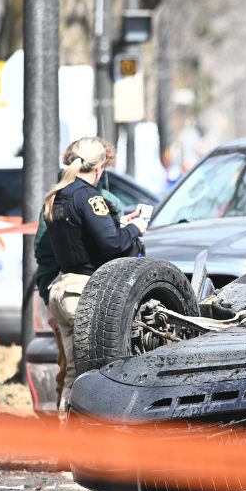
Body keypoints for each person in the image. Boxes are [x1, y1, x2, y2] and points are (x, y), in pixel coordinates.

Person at [45, 137, 147, 418]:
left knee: (72, 375)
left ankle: (67, 447)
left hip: (62, 289)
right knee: (98, 374)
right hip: (84, 294)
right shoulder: (90, 197)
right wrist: (135, 229)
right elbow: (113, 245)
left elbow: (82, 237)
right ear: (99, 167)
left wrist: (117, 225)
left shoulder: (58, 195)